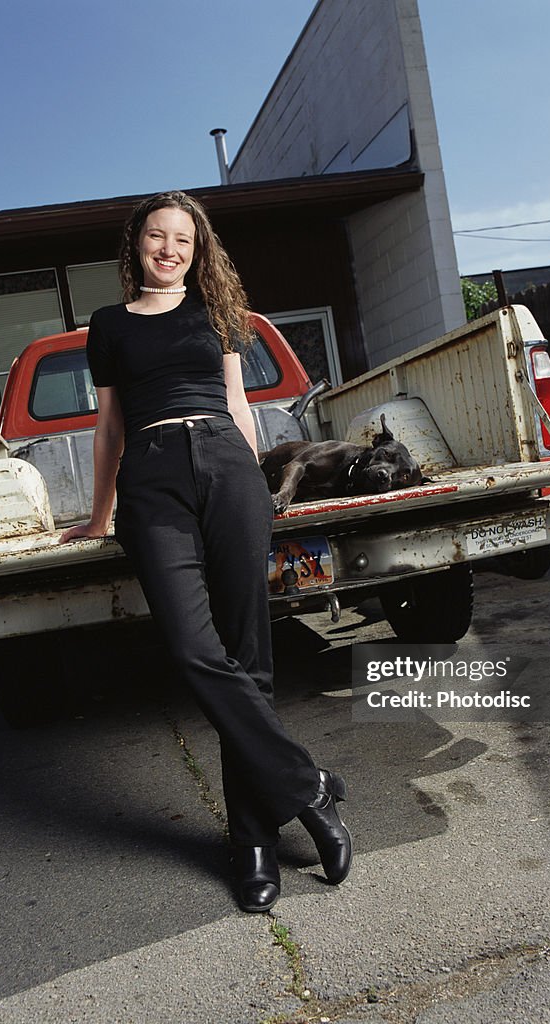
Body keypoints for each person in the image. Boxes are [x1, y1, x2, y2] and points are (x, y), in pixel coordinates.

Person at [60, 190, 352, 912]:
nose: (168, 250)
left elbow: (238, 402)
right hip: (153, 481)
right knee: (197, 651)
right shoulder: (108, 325)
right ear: (134, 247)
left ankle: (252, 841)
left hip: (226, 466)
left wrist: (257, 492)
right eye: (156, 237)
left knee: (251, 660)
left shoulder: (215, 312)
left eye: (182, 241)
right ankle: (310, 788)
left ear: (198, 250)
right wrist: (102, 516)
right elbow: (108, 427)